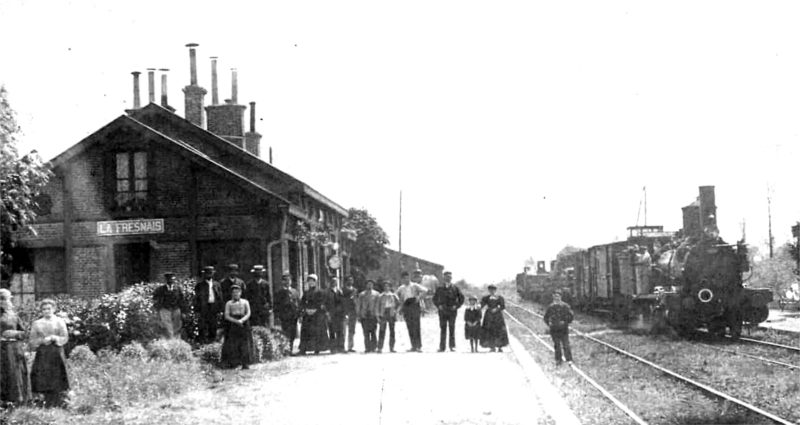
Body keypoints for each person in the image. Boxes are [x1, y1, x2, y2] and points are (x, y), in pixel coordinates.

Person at [29, 299, 70, 407]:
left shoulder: (59, 321)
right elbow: (32, 341)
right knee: (43, 375)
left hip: (56, 351)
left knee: (57, 374)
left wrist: (55, 338)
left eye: (49, 309)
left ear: (54, 309)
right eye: (44, 309)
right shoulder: (37, 323)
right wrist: (42, 341)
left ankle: (59, 401)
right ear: (41, 311)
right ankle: (43, 401)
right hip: (43, 353)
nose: (46, 311)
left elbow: (65, 337)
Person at [0, 289, 30, 406]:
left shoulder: (13, 315)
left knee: (14, 373)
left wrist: (15, 333)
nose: (4, 301)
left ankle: (14, 401)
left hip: (14, 349)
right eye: (2, 298)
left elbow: (25, 333)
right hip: (1, 348)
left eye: (6, 299)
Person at [221, 285, 253, 369]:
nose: (235, 294)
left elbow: (248, 313)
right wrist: (236, 321)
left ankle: (245, 363)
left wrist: (242, 320)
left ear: (240, 293)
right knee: (233, 343)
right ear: (231, 294)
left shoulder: (245, 302)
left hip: (244, 323)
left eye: (237, 292)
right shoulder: (229, 303)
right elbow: (227, 316)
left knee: (244, 343)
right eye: (233, 292)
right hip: (233, 323)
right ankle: (234, 363)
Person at [395, 270, 428, 352]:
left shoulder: (415, 285)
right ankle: (413, 346)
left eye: (407, 278)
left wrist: (418, 298)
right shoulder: (401, 288)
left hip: (414, 305)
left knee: (416, 326)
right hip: (406, 306)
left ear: (409, 278)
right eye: (404, 278)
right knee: (409, 326)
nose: (406, 279)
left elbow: (425, 290)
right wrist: (400, 302)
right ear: (402, 279)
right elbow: (395, 295)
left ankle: (419, 346)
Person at [433, 271, 465, 352]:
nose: (448, 278)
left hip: (452, 311)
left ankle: (452, 346)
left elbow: (461, 298)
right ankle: (442, 347)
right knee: (443, 328)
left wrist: (456, 306)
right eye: (446, 277)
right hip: (443, 311)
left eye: (449, 277)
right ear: (443, 278)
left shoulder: (455, 288)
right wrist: (438, 305)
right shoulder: (439, 288)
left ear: (451, 278)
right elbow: (434, 298)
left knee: (452, 328)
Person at [298, 274, 330, 355]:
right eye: (309, 281)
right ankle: (304, 349)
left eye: (313, 281)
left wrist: (316, 310)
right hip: (307, 314)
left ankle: (317, 348)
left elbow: (322, 303)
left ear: (316, 282)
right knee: (306, 332)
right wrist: (305, 310)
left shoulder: (320, 292)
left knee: (317, 332)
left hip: (317, 315)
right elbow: (302, 303)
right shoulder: (306, 293)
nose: (311, 283)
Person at [194, 266, 224, 344]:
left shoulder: (216, 284)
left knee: (213, 325)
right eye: (207, 273)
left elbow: (220, 297)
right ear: (204, 274)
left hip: (213, 307)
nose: (209, 275)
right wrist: (197, 310)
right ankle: (202, 343)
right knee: (202, 326)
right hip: (203, 308)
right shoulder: (199, 285)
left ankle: (212, 342)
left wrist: (220, 310)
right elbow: (196, 299)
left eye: (210, 273)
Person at [543, 291, 574, 365]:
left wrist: (565, 322)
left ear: (561, 297)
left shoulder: (565, 306)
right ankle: (558, 360)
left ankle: (569, 359)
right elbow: (546, 317)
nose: (556, 298)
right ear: (553, 297)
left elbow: (571, 316)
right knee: (557, 345)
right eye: (555, 296)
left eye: (558, 296)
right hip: (554, 329)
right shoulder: (551, 307)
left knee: (566, 344)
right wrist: (549, 323)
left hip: (563, 329)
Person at [152, 272, 185, 339]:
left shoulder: (178, 289)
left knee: (177, 325)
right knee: (167, 325)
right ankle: (170, 340)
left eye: (172, 279)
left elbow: (182, 300)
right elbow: (155, 299)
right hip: (165, 309)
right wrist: (159, 308)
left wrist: (183, 311)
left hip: (176, 308)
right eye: (169, 279)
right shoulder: (160, 289)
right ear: (166, 280)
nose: (170, 281)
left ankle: (176, 341)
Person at [274, 272, 300, 353]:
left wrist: (299, 314)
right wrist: (277, 316)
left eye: (289, 280)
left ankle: (291, 349)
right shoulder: (279, 293)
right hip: (284, 316)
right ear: (282, 282)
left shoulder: (295, 291)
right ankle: (286, 349)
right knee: (285, 332)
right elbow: (276, 305)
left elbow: (298, 303)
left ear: (291, 281)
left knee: (292, 333)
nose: (287, 282)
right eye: (285, 280)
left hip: (293, 316)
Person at [480, 285, 509, 352]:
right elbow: (482, 304)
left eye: (493, 290)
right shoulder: (486, 298)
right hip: (489, 316)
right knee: (490, 330)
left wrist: (497, 309)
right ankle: (491, 346)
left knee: (499, 330)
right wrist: (478, 307)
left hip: (498, 316)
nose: (492, 291)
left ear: (495, 290)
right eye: (490, 290)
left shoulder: (499, 298)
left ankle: (500, 347)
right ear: (489, 290)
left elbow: (503, 306)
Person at [356, 280, 380, 353]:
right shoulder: (362, 294)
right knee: (365, 332)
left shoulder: (376, 294)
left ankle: (373, 347)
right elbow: (359, 305)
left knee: (373, 332)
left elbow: (378, 305)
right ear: (366, 285)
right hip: (364, 315)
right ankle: (367, 347)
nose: (369, 286)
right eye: (368, 284)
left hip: (373, 315)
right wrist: (359, 315)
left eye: (371, 284)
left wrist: (378, 315)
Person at [376, 281, 400, 353]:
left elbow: (399, 304)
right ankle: (380, 347)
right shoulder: (380, 296)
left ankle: (391, 347)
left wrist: (396, 311)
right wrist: (378, 315)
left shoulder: (393, 295)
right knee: (382, 330)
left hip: (391, 312)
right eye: (385, 286)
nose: (386, 288)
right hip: (383, 312)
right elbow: (377, 306)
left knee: (392, 330)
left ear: (390, 287)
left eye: (388, 286)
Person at [327, 278, 346, 353]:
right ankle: (333, 348)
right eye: (332, 281)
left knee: (340, 331)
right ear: (330, 282)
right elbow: (325, 303)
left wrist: (344, 314)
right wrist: (327, 313)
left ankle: (341, 347)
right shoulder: (327, 292)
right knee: (332, 331)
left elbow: (343, 303)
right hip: (331, 314)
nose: (334, 283)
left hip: (339, 315)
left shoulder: (340, 291)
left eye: (335, 282)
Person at [341, 276, 359, 353]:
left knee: (352, 330)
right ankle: (342, 346)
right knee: (344, 330)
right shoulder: (342, 290)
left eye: (352, 280)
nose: (351, 281)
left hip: (353, 312)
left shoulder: (355, 290)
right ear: (346, 281)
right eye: (349, 280)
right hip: (345, 311)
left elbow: (357, 300)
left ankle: (350, 346)